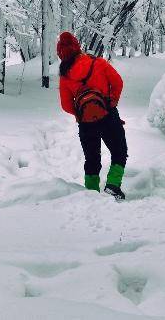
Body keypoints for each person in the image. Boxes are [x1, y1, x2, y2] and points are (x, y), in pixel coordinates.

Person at [57, 30, 128, 200]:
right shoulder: (99, 63)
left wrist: (81, 113)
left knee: (92, 158)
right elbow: (117, 82)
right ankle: (112, 186)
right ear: (77, 47)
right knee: (119, 151)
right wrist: (111, 102)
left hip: (85, 123)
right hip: (108, 115)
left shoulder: (65, 76)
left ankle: (91, 194)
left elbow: (66, 105)